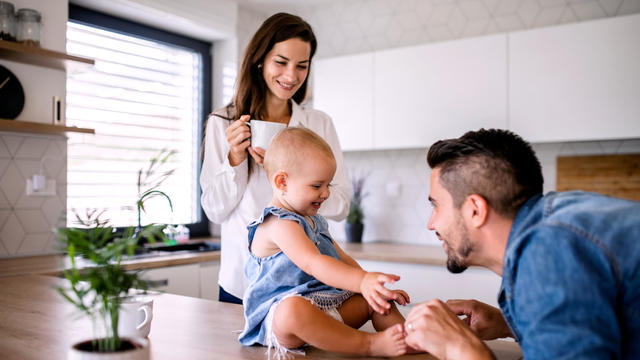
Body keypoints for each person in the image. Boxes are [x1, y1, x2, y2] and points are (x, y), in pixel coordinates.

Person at [403, 128, 640, 359]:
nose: (431, 224)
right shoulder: (556, 223)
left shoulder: (547, 253)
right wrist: (508, 324)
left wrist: (460, 348)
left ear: (475, 210)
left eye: (436, 206)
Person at [200, 13, 350, 303]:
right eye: (281, 62)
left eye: (301, 66)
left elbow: (341, 204)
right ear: (260, 60)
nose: (291, 76)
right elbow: (215, 211)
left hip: (303, 284)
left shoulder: (319, 124)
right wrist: (235, 157)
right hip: (241, 284)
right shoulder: (223, 123)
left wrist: (290, 173)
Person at [239, 127, 410, 358]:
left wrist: (372, 287)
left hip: (323, 307)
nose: (326, 193)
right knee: (292, 310)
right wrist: (361, 282)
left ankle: (408, 338)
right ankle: (370, 344)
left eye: (328, 185)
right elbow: (314, 263)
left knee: (374, 302)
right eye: (317, 186)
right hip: (285, 320)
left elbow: (341, 259)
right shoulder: (278, 224)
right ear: (282, 182)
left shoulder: (314, 221)